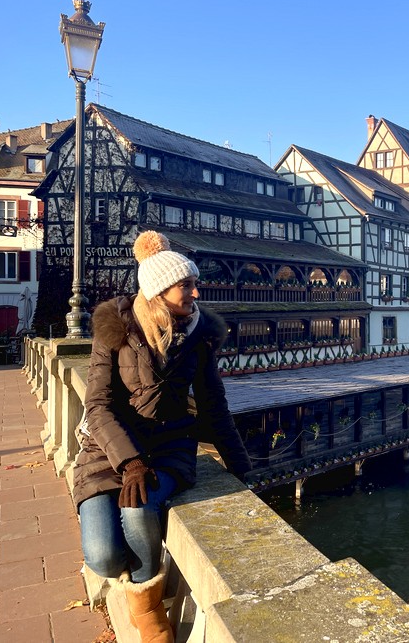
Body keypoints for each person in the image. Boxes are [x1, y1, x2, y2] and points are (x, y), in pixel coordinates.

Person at [73, 230, 251, 642]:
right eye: (186, 285)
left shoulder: (200, 335)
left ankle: (151, 615)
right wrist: (129, 461)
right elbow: (97, 406)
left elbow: (213, 406)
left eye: (193, 283)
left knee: (139, 510)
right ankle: (138, 583)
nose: (195, 291)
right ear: (159, 291)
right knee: (101, 556)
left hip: (169, 447)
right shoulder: (114, 329)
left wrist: (241, 467)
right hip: (107, 449)